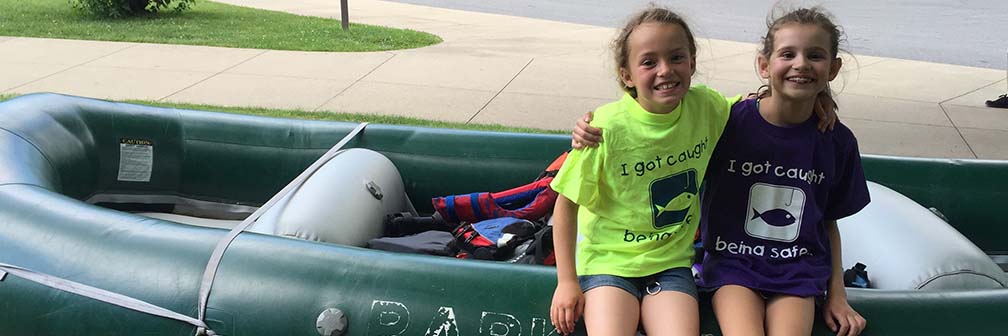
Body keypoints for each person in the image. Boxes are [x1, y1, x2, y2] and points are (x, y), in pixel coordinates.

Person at [570, 6, 869, 336]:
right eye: (788, 54)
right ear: (763, 65)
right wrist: (588, 130)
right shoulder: (730, 122)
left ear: (833, 67)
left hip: (796, 272)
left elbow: (829, 220)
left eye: (814, 55)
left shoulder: (833, 140)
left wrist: (837, 294)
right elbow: (651, 122)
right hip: (733, 268)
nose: (800, 63)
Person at [548, 6, 730, 336]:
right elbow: (565, 205)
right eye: (649, 62)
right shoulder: (604, 128)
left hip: (671, 263)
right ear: (627, 75)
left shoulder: (708, 107)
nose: (665, 70)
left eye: (676, 57)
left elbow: (758, 107)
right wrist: (566, 281)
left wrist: (812, 101)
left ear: (692, 62)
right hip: (608, 262)